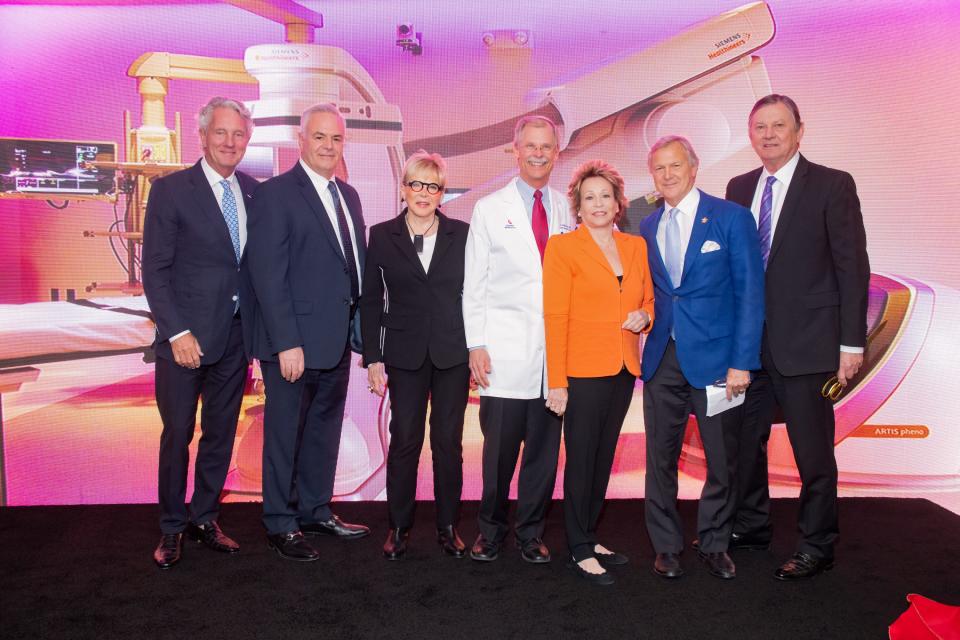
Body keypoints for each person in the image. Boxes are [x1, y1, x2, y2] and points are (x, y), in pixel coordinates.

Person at [726, 94, 869, 580]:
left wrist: (852, 344)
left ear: (799, 130)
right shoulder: (738, 186)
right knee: (745, 444)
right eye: (759, 126)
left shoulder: (832, 185)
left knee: (812, 452)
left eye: (778, 125)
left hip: (809, 345)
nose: (768, 134)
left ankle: (817, 544)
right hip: (749, 347)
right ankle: (751, 526)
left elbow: (853, 268)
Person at [243, 103, 369, 562]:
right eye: (319, 137)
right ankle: (280, 521)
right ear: (301, 140)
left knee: (323, 430)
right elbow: (267, 275)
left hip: (334, 341)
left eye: (336, 139)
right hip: (292, 344)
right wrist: (285, 342)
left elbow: (349, 267)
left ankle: (315, 509)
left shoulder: (347, 195)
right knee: (283, 434)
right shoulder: (275, 194)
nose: (328, 146)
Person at [638, 135, 764, 580]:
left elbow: (751, 293)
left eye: (675, 166)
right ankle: (667, 546)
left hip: (718, 363)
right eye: (659, 169)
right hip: (661, 360)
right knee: (660, 460)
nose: (668, 175)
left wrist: (742, 362)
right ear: (652, 177)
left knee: (721, 460)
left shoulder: (731, 217)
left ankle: (714, 543)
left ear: (694, 167)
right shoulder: (648, 225)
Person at [142, 96, 257, 569]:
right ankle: (171, 528)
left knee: (221, 433)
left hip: (236, 337)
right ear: (203, 135)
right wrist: (176, 332)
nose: (230, 142)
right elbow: (156, 270)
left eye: (239, 134)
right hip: (184, 341)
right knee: (178, 433)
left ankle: (205, 517)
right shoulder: (171, 191)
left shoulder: (254, 191)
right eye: (221, 133)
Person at [462, 115, 571, 564]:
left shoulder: (568, 208)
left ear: (557, 152)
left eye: (547, 146)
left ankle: (530, 533)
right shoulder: (490, 208)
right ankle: (490, 531)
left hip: (554, 358)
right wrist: (476, 344)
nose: (539, 153)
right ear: (516, 149)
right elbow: (475, 283)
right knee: (498, 457)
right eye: (531, 146)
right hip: (503, 355)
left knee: (544, 458)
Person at [543, 160, 655, 585]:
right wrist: (557, 380)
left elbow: (648, 301)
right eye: (589, 197)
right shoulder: (563, 248)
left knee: (604, 458)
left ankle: (589, 535)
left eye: (605, 195)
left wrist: (644, 318)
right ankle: (577, 547)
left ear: (618, 202)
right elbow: (554, 315)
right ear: (577, 205)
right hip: (581, 372)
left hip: (624, 368)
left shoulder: (635, 246)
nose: (598, 203)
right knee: (581, 459)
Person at [360, 150, 471, 560]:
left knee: (448, 442)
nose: (424, 193)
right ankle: (398, 527)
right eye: (417, 184)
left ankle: (447, 527)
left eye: (433, 186)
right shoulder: (381, 234)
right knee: (405, 439)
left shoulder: (464, 233)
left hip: (452, 353)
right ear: (404, 188)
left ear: (442, 193)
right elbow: (371, 300)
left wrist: (477, 348)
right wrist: (373, 358)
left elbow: (475, 296)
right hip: (403, 354)